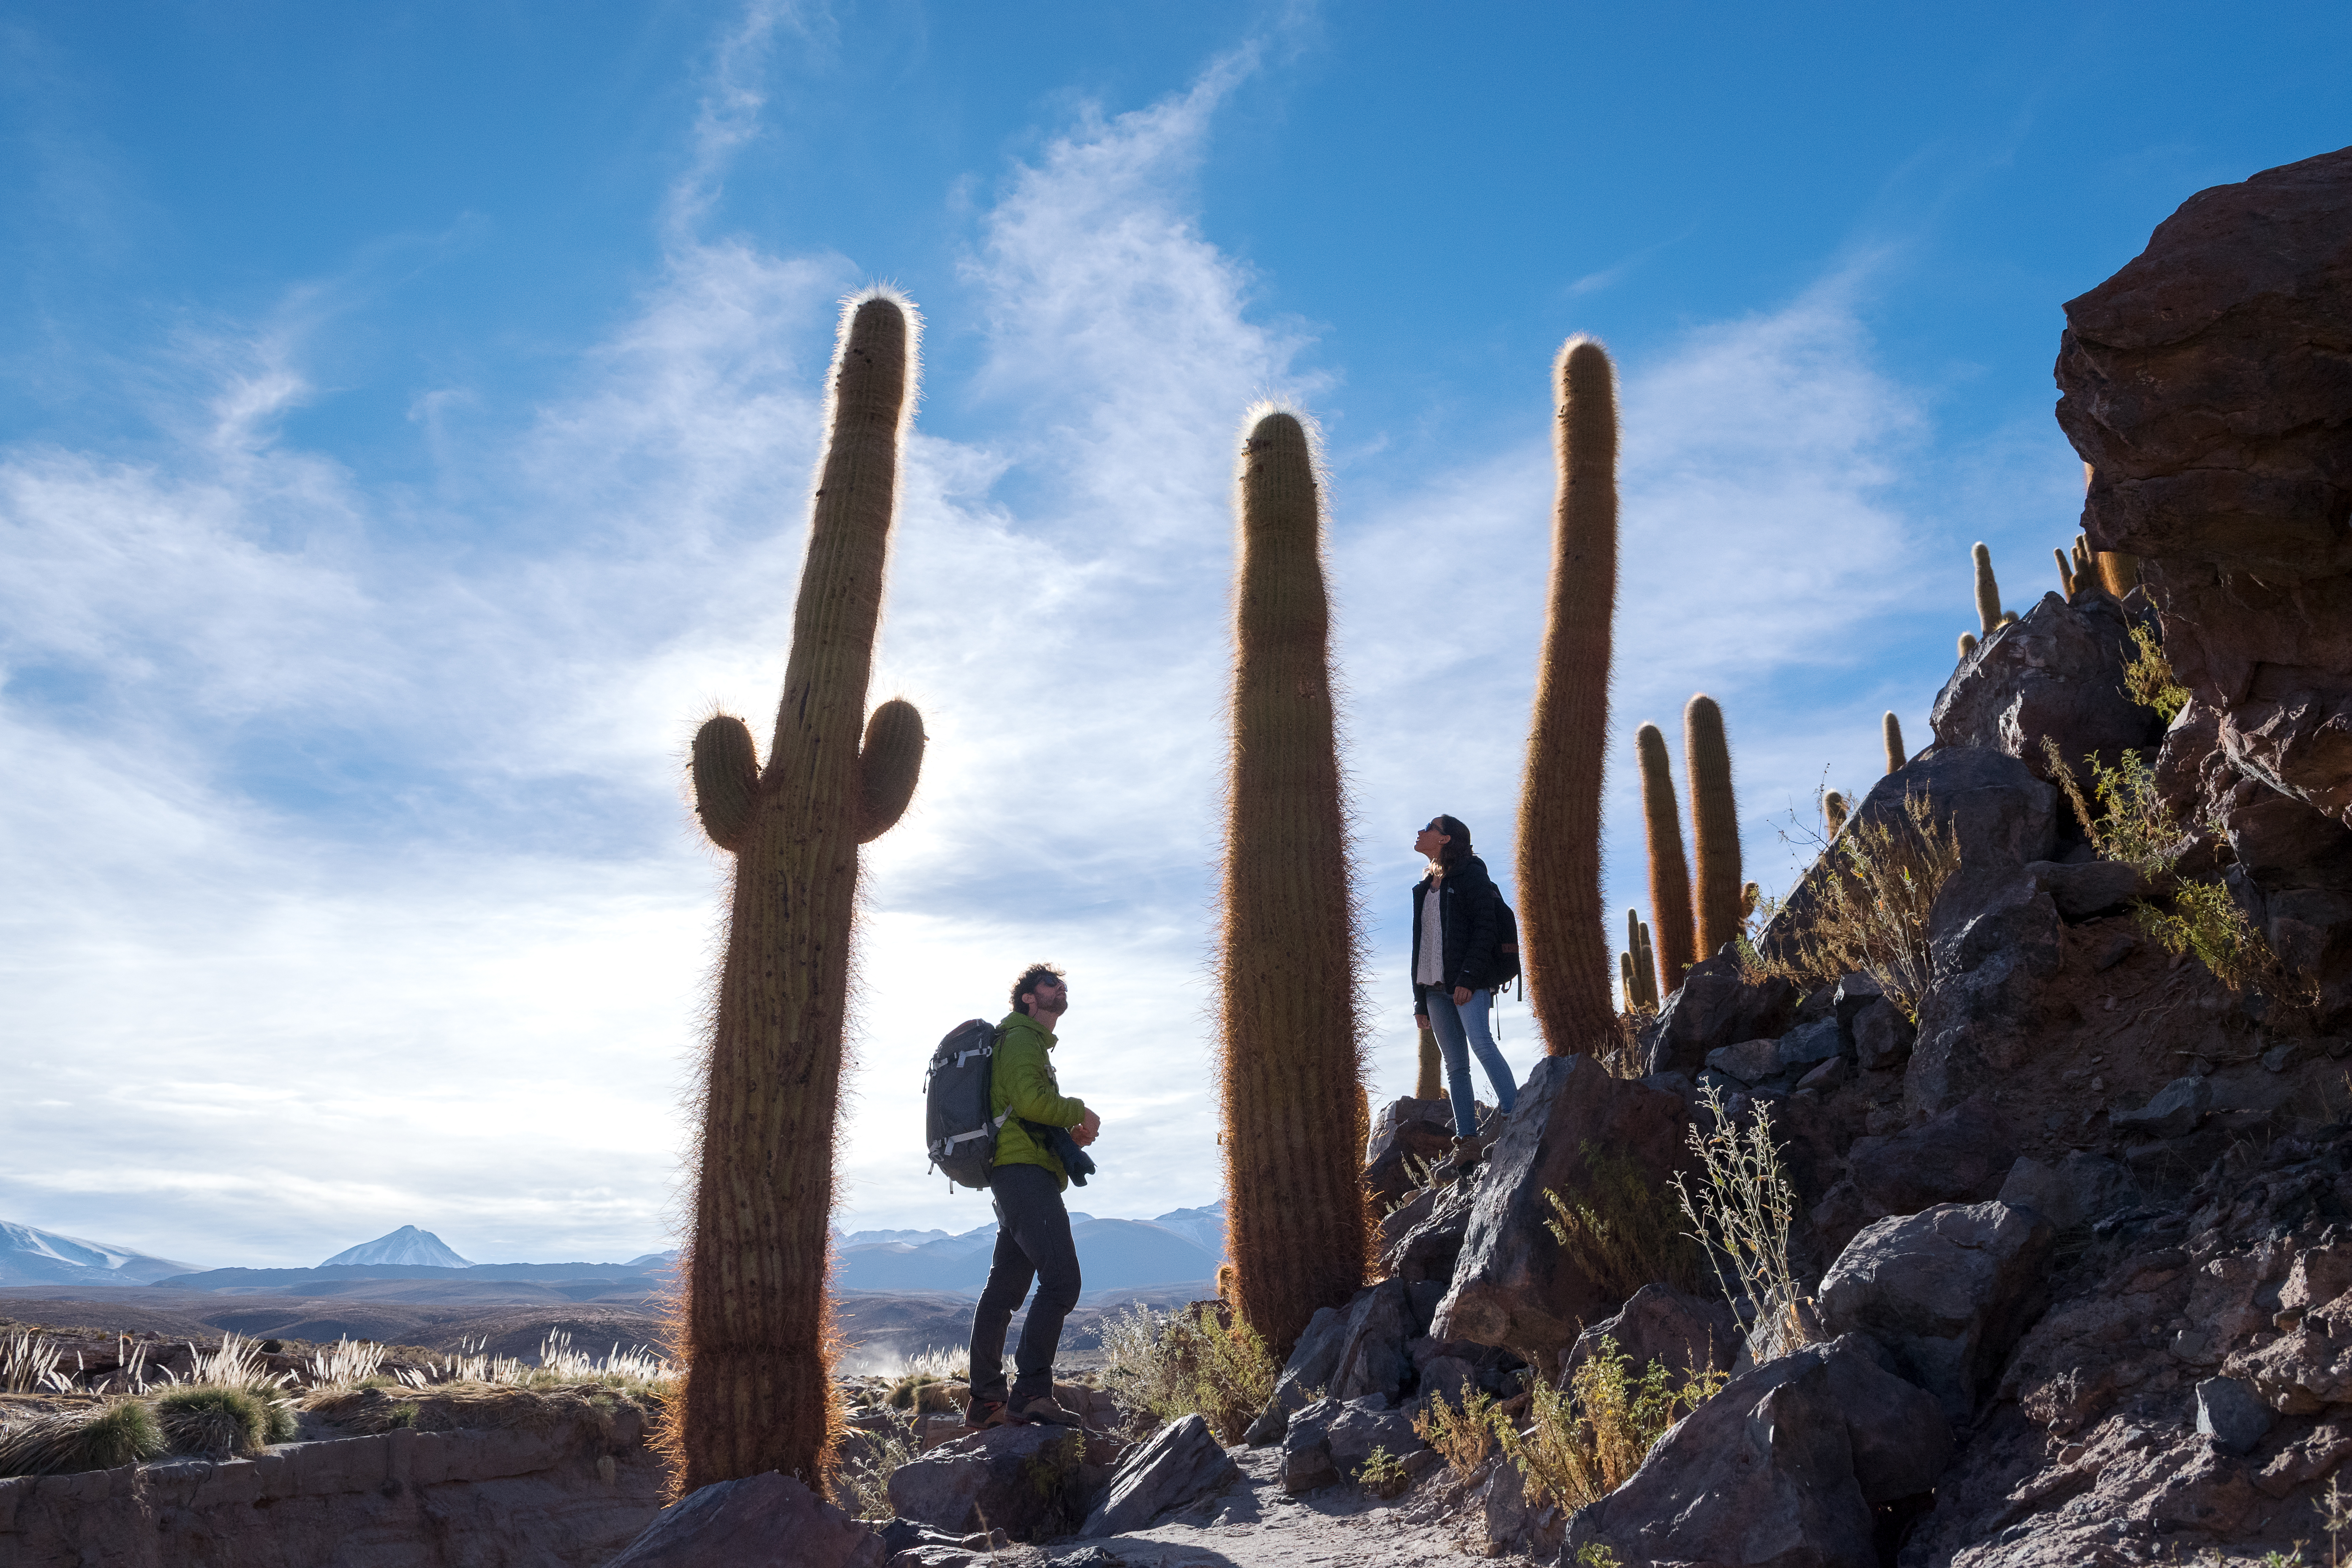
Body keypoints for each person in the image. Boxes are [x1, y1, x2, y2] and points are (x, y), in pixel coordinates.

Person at [964, 962, 1103, 1429]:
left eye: (1062, 983)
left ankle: (985, 1400)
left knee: (1004, 1291)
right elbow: (1028, 1101)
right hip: (1024, 1175)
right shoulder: (1021, 1038)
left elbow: (1026, 1111)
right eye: (1050, 983)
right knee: (1062, 1283)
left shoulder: (1023, 1042)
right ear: (1028, 998)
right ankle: (1030, 1392)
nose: (1060, 987)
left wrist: (1067, 1133)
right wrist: (1078, 1111)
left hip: (1016, 1173)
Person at [1410, 815, 1519, 1161]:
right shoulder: (1425, 888)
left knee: (1482, 1045)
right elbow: (1421, 945)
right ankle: (1468, 1140)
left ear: (1444, 840)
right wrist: (1420, 1002)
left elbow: (1485, 928)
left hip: (1466, 984)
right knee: (1456, 1066)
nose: (1420, 832)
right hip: (1433, 990)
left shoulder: (1471, 874)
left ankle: (1514, 1113)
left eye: (1429, 828)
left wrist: (1469, 979)